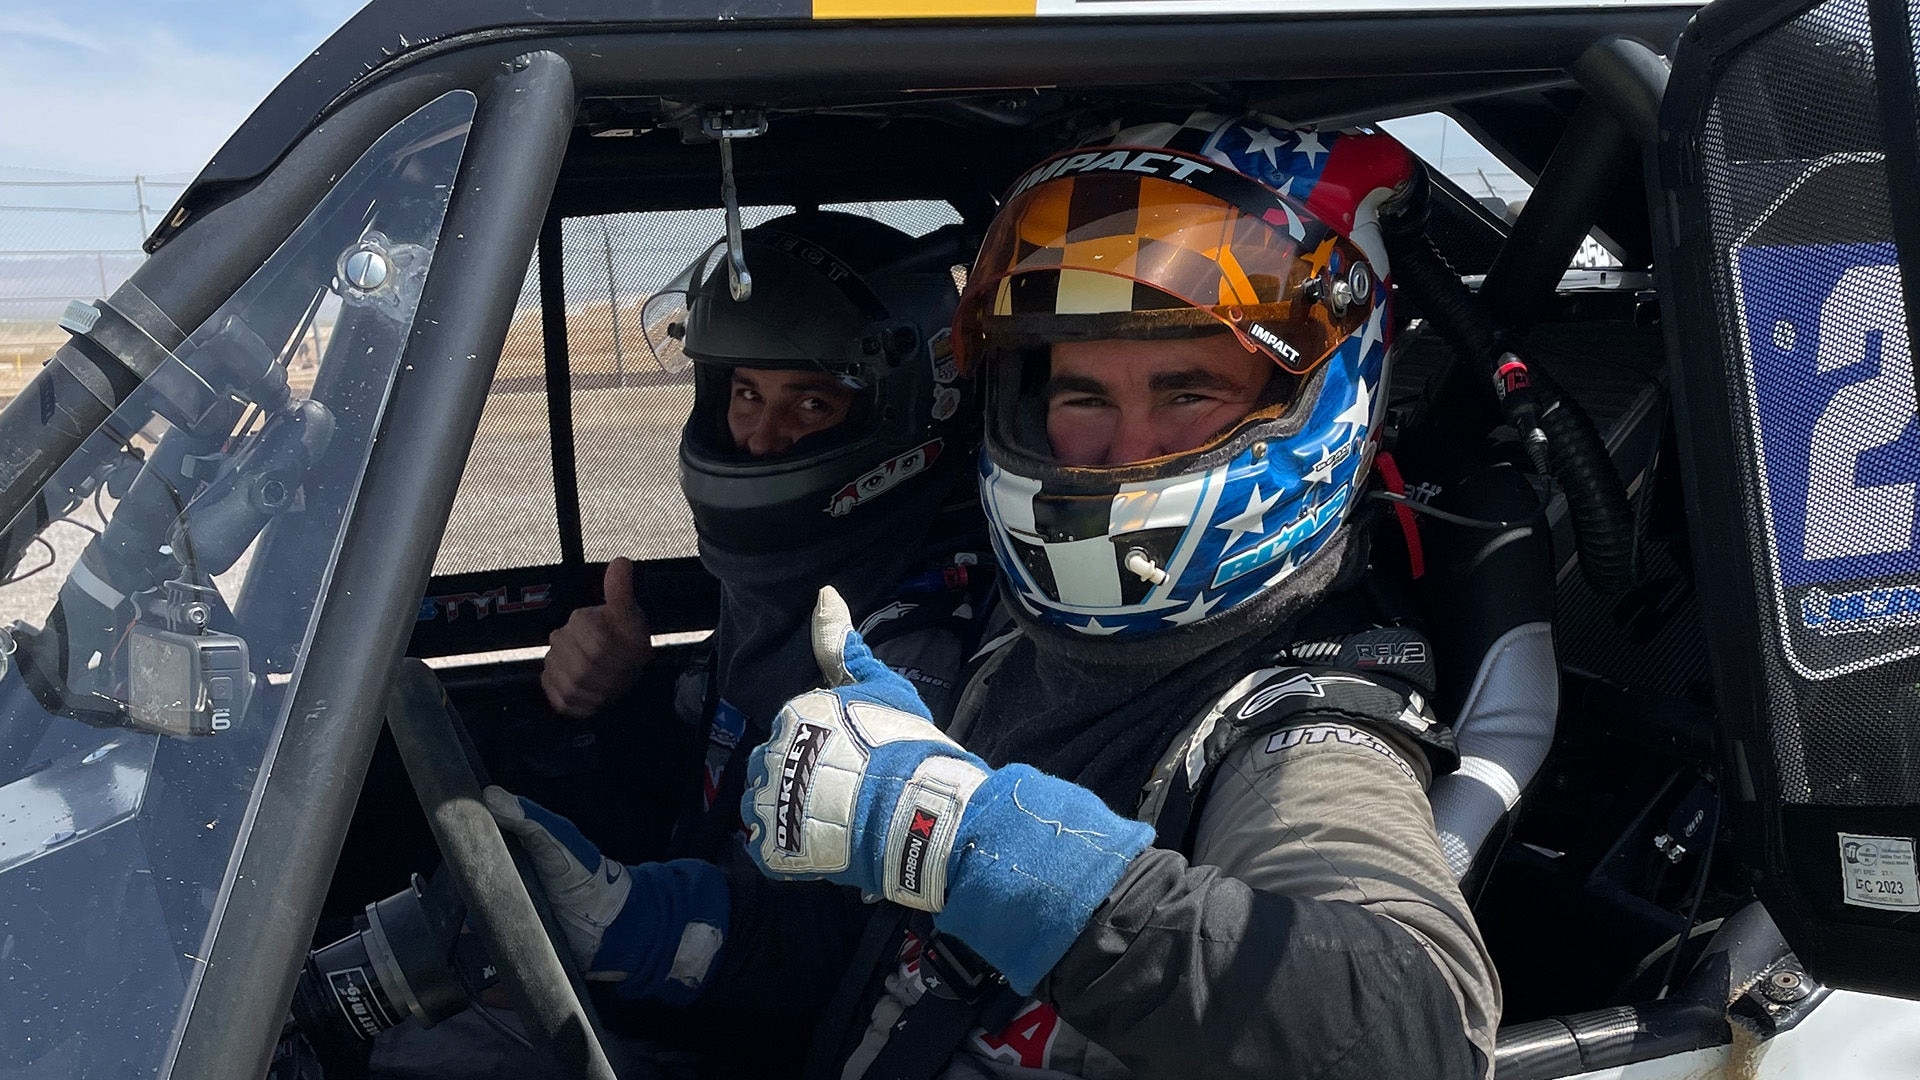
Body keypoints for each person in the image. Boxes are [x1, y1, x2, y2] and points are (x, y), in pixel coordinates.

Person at [502, 115, 1500, 1079]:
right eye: (1083, 398)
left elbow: (1416, 1032)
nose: (1125, 451)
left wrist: (970, 840)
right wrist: (640, 923)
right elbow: (860, 949)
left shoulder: (1304, 724)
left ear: (1314, 405)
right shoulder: (1004, 631)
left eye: (1187, 392)